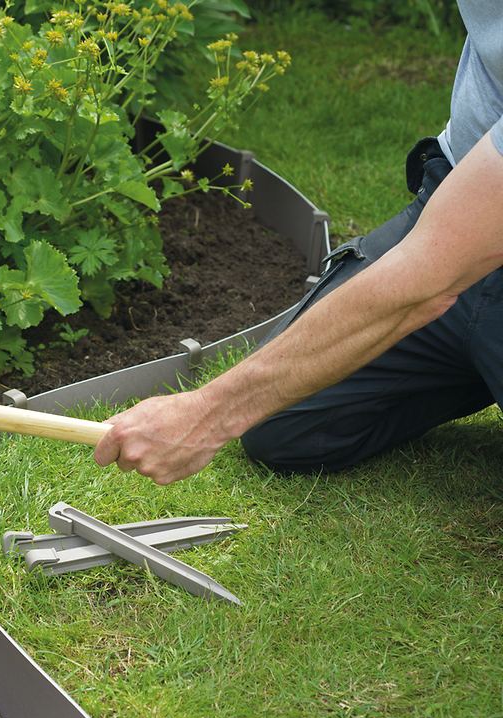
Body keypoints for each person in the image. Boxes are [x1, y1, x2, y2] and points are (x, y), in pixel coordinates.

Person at [94, 0, 503, 485]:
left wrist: (206, 412)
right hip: (457, 192)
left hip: (453, 245)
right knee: (279, 423)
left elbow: (427, 279)